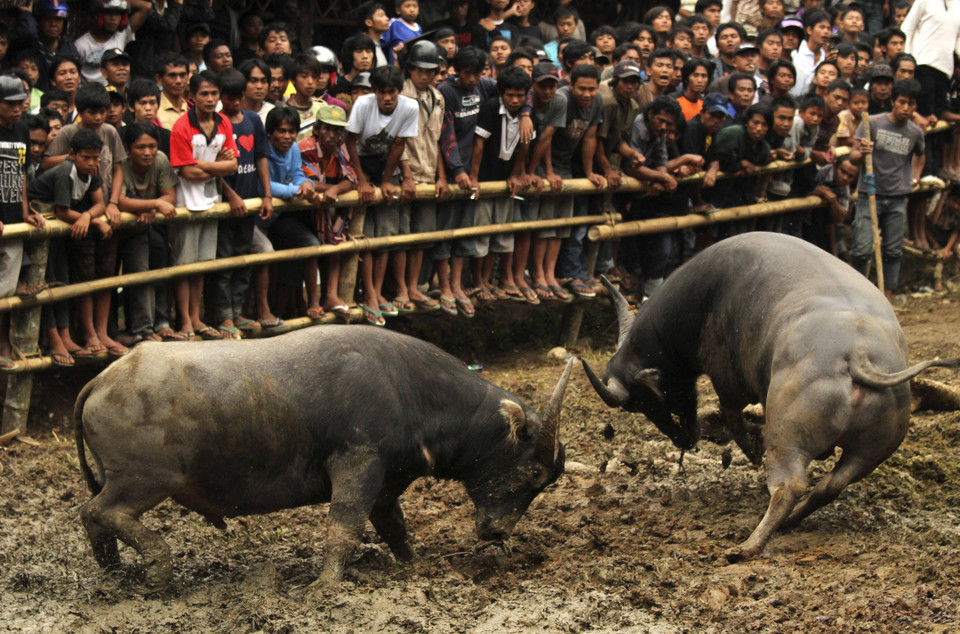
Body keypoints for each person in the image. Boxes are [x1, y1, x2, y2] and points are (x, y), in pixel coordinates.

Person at [29, 129, 126, 359]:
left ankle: (65, 335)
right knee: (48, 279)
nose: (92, 163)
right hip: (42, 225)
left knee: (62, 278)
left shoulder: (93, 172)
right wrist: (92, 222)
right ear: (72, 154)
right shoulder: (65, 172)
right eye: (86, 158)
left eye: (96, 158)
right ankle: (54, 337)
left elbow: (100, 204)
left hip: (63, 229)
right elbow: (62, 212)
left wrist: (87, 217)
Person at [346, 65, 419, 326]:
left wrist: (387, 180)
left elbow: (399, 145)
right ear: (374, 92)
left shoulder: (410, 107)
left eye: (392, 92)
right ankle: (368, 293)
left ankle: (376, 290)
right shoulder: (363, 105)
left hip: (387, 163)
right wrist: (362, 181)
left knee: (386, 234)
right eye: (381, 92)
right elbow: (350, 142)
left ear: (399, 91)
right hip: (361, 164)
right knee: (366, 235)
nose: (387, 98)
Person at [168, 70, 238, 339]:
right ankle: (184, 319)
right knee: (185, 265)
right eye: (204, 94)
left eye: (214, 94)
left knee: (203, 264)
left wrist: (202, 165)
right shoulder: (181, 127)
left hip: (212, 201)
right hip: (185, 202)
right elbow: (186, 173)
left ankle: (196, 317)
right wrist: (217, 167)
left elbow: (232, 165)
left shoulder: (224, 124)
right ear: (191, 97)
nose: (210, 99)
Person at [849, 79, 925, 299]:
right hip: (869, 194)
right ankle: (857, 294)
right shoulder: (872, 123)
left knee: (892, 250)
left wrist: (915, 178)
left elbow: (920, 155)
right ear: (893, 101)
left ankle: (888, 296)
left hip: (897, 197)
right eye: (902, 102)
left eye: (911, 104)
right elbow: (853, 158)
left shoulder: (914, 132)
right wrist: (862, 151)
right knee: (862, 250)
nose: (906, 108)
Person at [212, 69, 273, 337]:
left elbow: (261, 157)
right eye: (229, 97)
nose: (234, 102)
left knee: (244, 259)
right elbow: (212, 167)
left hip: (249, 203)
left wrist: (267, 195)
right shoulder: (214, 123)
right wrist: (229, 194)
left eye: (238, 96)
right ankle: (224, 315)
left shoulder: (253, 120)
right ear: (221, 97)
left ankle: (238, 312)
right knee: (225, 261)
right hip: (227, 205)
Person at [468, 66, 533, 300]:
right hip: (486, 177)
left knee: (502, 232)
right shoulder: (491, 108)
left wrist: (516, 173)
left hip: (506, 177)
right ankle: (477, 280)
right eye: (510, 95)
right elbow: (479, 143)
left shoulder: (527, 114)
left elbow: (525, 145)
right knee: (481, 232)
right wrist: (474, 177)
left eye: (520, 95)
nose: (515, 100)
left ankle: (487, 279)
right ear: (501, 93)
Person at [114, 122, 178, 345]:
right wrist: (152, 205)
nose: (148, 152)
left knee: (160, 269)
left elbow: (170, 195)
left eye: (152, 146)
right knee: (139, 273)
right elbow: (120, 201)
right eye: (141, 147)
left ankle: (160, 323)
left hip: (151, 227)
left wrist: (151, 207)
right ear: (128, 148)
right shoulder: (121, 165)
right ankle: (142, 329)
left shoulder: (160, 159)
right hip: (124, 231)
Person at [263, 106, 325, 321]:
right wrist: (296, 191)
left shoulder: (293, 150)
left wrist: (306, 184)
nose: (287, 137)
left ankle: (312, 302)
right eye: (282, 131)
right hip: (258, 218)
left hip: (280, 216)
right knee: (262, 256)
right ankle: (260, 311)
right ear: (270, 132)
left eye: (291, 131)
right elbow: (262, 184)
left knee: (308, 245)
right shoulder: (261, 149)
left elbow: (297, 174)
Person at [552, 64, 607, 300]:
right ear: (571, 85)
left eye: (591, 89)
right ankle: (565, 273)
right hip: (551, 162)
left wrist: (588, 172)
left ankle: (575, 271)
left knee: (579, 222)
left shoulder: (598, 101)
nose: (586, 94)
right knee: (556, 223)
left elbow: (590, 137)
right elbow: (547, 136)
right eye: (581, 89)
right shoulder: (561, 99)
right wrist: (547, 170)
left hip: (571, 164)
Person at [42, 83, 126, 232]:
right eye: (92, 113)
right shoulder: (67, 132)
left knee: (107, 252)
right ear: (80, 112)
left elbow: (118, 169)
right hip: (75, 209)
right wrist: (74, 159)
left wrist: (113, 202)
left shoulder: (110, 132)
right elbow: (46, 163)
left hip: (106, 206)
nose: (98, 117)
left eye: (102, 112)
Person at [298, 105, 357, 317]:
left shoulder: (341, 149)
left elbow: (351, 179)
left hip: (328, 208)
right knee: (311, 249)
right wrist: (332, 188)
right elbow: (310, 181)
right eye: (328, 129)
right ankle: (312, 300)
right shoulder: (305, 147)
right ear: (317, 129)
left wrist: (335, 188)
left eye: (337, 130)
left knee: (336, 239)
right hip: (302, 211)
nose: (333, 135)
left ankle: (331, 294)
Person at [399, 41, 445, 311]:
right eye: (420, 70)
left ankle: (414, 286)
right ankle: (402, 288)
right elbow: (399, 142)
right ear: (411, 69)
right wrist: (405, 175)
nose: (426, 75)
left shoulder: (438, 98)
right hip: (408, 171)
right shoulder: (402, 97)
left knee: (421, 236)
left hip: (429, 170)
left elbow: (438, 139)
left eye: (431, 70)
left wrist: (441, 176)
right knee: (402, 236)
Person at [0, 77, 42, 371]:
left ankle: (4, 342)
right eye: (10, 104)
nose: (17, 109)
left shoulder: (23, 129)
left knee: (5, 290)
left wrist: (26, 210)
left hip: (13, 216)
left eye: (20, 103)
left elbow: (23, 172)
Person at [901, 0, 960, 125]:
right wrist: (907, 56)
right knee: (924, 115)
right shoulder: (924, 1)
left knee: (938, 118)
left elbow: (958, 39)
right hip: (923, 63)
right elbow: (907, 28)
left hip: (946, 70)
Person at [74, 0, 148, 85]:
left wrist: (120, 0)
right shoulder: (81, 44)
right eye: (108, 14)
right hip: (90, 94)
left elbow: (146, 7)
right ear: (99, 16)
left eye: (117, 14)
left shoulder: (121, 36)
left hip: (114, 93)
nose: (113, 18)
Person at [14, 0, 80, 91]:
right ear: (39, 21)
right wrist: (26, 14)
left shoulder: (69, 47)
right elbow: (29, 32)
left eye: (58, 20)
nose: (53, 24)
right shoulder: (30, 46)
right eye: (48, 19)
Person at [790, 9, 831, 98]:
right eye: (822, 27)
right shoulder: (795, 53)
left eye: (828, 28)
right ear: (809, 30)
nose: (826, 32)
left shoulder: (826, 58)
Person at [155, 53, 190, 131]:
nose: (178, 81)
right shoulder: (153, 109)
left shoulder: (193, 108)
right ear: (159, 79)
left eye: (182, 75)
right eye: (172, 75)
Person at [385, 0, 422, 66]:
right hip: (396, 65)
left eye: (415, 6)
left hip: (413, 65)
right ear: (398, 10)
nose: (412, 9)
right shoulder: (394, 23)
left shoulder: (419, 28)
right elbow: (382, 42)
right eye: (408, 6)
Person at [238, 58, 275, 125]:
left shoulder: (273, 112)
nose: (259, 86)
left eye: (264, 81)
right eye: (253, 81)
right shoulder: (223, 108)